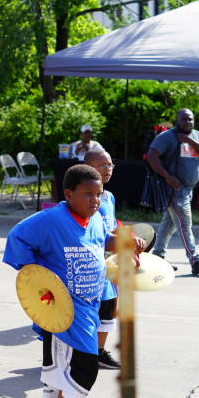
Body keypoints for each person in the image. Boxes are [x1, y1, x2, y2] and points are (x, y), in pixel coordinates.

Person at [3, 164, 145, 398]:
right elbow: (17, 236)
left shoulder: (95, 218)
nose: (95, 200)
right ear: (68, 194)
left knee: (63, 376)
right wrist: (36, 276)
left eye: (98, 194)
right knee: (84, 371)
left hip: (89, 309)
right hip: (64, 313)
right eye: (88, 194)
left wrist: (125, 243)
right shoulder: (51, 219)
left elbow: (102, 240)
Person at [147, 108, 199, 275]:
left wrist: (190, 141)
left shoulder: (196, 135)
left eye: (190, 119)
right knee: (184, 224)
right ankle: (195, 260)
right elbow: (152, 155)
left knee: (169, 225)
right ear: (177, 121)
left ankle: (158, 257)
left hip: (188, 189)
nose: (188, 122)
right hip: (174, 190)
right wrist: (167, 176)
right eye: (184, 119)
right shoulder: (166, 137)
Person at [84, 150, 120, 370]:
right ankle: (81, 352)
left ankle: (99, 352)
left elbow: (112, 227)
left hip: (109, 263)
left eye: (110, 165)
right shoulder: (81, 198)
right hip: (91, 265)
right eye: (102, 165)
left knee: (109, 308)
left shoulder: (110, 197)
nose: (107, 169)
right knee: (88, 311)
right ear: (89, 168)